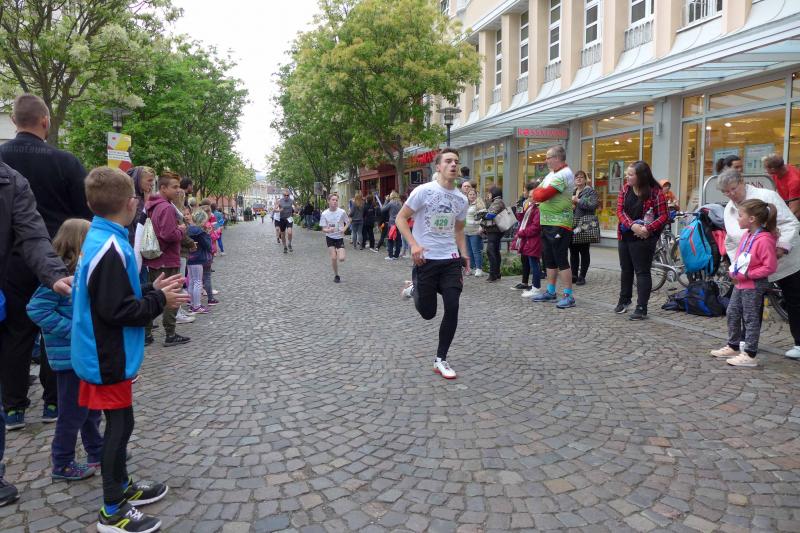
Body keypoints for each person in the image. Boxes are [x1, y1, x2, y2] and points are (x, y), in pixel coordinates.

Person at [71, 166, 187, 532]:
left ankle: (122, 487)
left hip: (104, 351)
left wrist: (152, 291)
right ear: (131, 203)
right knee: (119, 428)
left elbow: (114, 298)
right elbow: (118, 311)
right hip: (106, 354)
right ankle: (112, 509)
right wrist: (159, 301)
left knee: (123, 422)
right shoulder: (110, 247)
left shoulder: (103, 238)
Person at [0, 94, 92, 433]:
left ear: (14, 121)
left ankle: (13, 407)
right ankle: (54, 401)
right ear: (45, 121)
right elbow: (84, 213)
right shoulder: (65, 161)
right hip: (58, 256)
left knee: (16, 333)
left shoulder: (3, 158)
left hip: (12, 263)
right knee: (55, 327)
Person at [0, 160, 74, 506]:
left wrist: (54, 275)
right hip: (18, 285)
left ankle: (17, 409)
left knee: (16, 346)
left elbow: (33, 235)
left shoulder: (11, 180)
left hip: (14, 283)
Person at [26, 219, 103, 481]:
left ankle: (96, 451)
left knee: (92, 409)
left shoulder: (83, 273)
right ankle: (62, 462)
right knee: (72, 413)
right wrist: (73, 330)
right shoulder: (58, 278)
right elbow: (36, 309)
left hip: (84, 356)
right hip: (68, 358)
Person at [396, 148, 469, 380]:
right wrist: (413, 245)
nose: (453, 164)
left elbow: (459, 230)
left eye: (456, 161)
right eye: (448, 161)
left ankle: (441, 359)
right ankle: (414, 289)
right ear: (438, 166)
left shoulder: (461, 199)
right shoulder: (423, 191)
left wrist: (464, 254)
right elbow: (400, 218)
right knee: (428, 313)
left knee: (453, 306)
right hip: (425, 259)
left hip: (450, 260)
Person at [718, 168, 800, 359]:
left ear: (742, 181)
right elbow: (731, 241)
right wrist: (736, 266)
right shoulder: (730, 209)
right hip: (752, 268)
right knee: (750, 305)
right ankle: (747, 343)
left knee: (794, 300)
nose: (731, 194)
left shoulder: (766, 196)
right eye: (726, 192)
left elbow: (790, 223)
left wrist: (781, 247)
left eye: (733, 189)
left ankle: (799, 343)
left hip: (784, 261)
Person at [710, 199, 778, 368]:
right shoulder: (747, 235)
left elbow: (770, 267)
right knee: (732, 312)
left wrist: (748, 274)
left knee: (750, 318)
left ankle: (750, 354)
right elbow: (741, 257)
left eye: (740, 215)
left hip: (753, 285)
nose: (737, 219)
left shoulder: (764, 239)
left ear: (752, 219)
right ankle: (733, 346)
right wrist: (734, 271)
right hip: (740, 282)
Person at [615, 161, 669, 320]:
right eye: (627, 173)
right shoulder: (625, 189)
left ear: (641, 176)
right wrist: (632, 226)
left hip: (645, 238)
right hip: (625, 235)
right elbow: (620, 211)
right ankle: (624, 300)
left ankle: (641, 307)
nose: (627, 177)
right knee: (626, 269)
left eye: (631, 174)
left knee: (642, 271)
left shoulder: (656, 192)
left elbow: (664, 215)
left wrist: (647, 228)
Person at [143, 172, 190, 347]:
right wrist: (181, 230)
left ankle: (147, 333)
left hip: (155, 258)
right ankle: (170, 334)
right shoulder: (166, 208)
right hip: (167, 259)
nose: (178, 190)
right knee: (172, 295)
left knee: (152, 294)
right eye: (174, 187)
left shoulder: (152, 205)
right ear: (163, 188)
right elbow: (168, 234)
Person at [531, 145, 577, 308]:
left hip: (560, 223)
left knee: (561, 258)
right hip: (547, 222)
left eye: (548, 157)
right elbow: (535, 191)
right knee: (549, 259)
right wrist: (536, 193)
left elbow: (541, 195)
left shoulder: (564, 174)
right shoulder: (552, 174)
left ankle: (568, 295)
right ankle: (551, 292)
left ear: (557, 158)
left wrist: (536, 193)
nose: (546, 160)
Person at [569, 170, 598, 286]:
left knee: (584, 251)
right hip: (572, 225)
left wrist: (578, 200)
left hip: (585, 225)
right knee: (573, 251)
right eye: (577, 177)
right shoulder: (572, 191)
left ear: (585, 180)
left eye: (581, 177)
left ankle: (582, 276)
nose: (579, 179)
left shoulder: (590, 191)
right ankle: (574, 275)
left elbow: (593, 205)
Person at [513, 186, 542, 295]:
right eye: (529, 196)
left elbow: (535, 227)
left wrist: (521, 233)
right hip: (528, 239)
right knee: (530, 262)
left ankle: (536, 287)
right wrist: (519, 208)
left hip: (533, 239)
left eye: (532, 196)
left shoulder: (538, 209)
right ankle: (533, 286)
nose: (530, 198)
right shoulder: (531, 207)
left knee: (534, 264)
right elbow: (521, 218)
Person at [320, 193, 350, 283]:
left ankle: (338, 250)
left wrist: (344, 229)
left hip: (339, 237)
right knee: (333, 258)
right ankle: (336, 275)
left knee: (341, 258)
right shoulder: (324, 213)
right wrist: (328, 230)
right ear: (328, 201)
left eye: (336, 200)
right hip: (330, 237)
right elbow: (323, 229)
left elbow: (348, 222)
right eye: (333, 200)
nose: (335, 202)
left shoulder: (342, 212)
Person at [187, 210, 212, 314]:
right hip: (198, 258)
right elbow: (208, 245)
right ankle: (197, 306)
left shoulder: (188, 229)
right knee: (197, 282)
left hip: (189, 258)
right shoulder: (199, 232)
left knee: (192, 281)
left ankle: (192, 304)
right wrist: (208, 234)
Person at [480, 186, 506, 282]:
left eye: (489, 193)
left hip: (495, 231)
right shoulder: (496, 201)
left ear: (494, 193)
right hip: (494, 230)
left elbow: (491, 214)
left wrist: (482, 215)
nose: (488, 195)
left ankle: (493, 274)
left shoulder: (498, 202)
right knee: (495, 251)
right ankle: (497, 273)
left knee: (490, 251)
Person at [763, 154, 800, 219]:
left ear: (773, 169)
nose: (765, 170)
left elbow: (794, 210)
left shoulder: (794, 181)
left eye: (766, 168)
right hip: (788, 204)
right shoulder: (778, 171)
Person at [464, 188, 485, 277]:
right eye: (470, 194)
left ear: (476, 195)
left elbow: (484, 218)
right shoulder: (466, 204)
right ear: (467, 196)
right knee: (469, 251)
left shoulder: (479, 204)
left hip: (475, 231)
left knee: (476, 251)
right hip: (466, 231)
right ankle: (471, 268)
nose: (472, 196)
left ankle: (479, 268)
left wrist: (481, 227)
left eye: (473, 194)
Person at [383, 191, 403, 261]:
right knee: (398, 240)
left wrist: (386, 200)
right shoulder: (400, 203)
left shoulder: (391, 203)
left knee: (390, 239)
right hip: (399, 223)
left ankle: (390, 255)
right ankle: (396, 255)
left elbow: (383, 209)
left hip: (392, 223)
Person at [278, 189, 296, 253]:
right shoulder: (280, 201)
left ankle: (289, 244)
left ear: (289, 195)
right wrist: (279, 210)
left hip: (289, 218)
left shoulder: (291, 201)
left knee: (289, 232)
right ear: (283, 195)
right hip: (282, 219)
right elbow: (275, 209)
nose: (286, 196)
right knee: (283, 234)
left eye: (287, 195)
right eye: (285, 195)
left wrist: (296, 211)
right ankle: (285, 246)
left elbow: (297, 206)